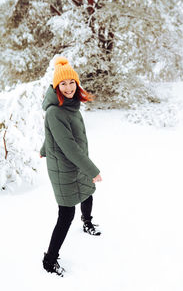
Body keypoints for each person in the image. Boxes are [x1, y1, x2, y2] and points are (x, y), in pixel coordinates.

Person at [40, 57, 102, 277]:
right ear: (56, 87)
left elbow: (55, 134)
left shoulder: (70, 105)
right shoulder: (55, 111)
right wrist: (92, 169)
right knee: (66, 213)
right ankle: (49, 260)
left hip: (76, 164)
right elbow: (69, 146)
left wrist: (44, 147)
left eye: (71, 82)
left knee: (88, 193)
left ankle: (87, 223)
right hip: (65, 167)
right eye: (63, 84)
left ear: (77, 84)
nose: (68, 87)